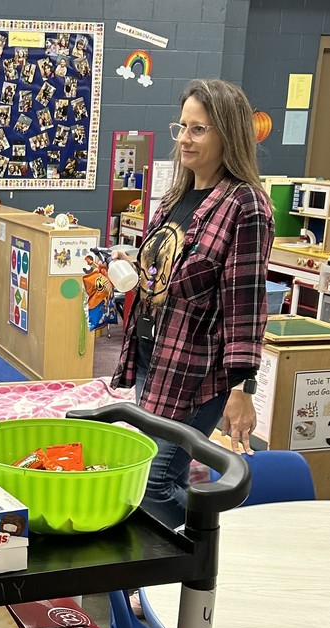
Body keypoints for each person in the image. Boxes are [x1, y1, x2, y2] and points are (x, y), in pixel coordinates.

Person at [111, 79, 274, 532]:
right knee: (170, 471)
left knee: (152, 484)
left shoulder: (246, 205)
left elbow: (246, 300)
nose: (184, 138)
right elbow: (167, 273)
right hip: (153, 360)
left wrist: (242, 388)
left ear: (228, 134)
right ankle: (175, 582)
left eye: (199, 129)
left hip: (196, 373)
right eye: (181, 126)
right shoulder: (176, 197)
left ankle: (225, 544)